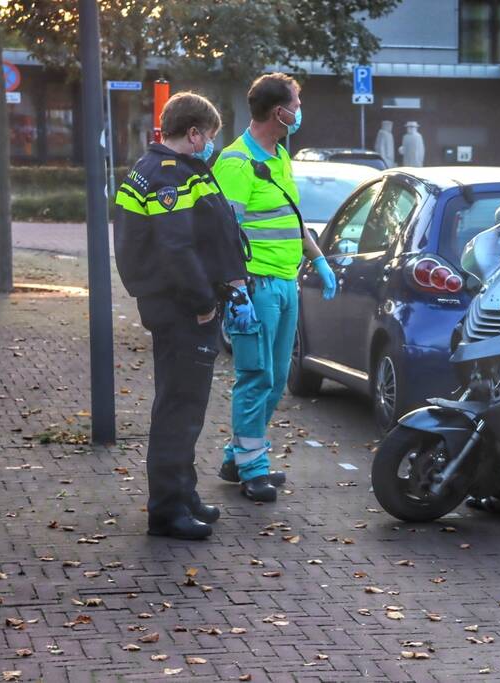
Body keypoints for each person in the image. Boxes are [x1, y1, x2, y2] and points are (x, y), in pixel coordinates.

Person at [113, 92, 254, 540]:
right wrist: (203, 304)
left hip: (175, 306)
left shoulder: (161, 169)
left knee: (183, 407)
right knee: (179, 409)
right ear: (193, 133)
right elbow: (177, 248)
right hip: (182, 311)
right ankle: (168, 511)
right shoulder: (168, 176)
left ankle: (184, 493)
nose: (211, 143)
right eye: (209, 136)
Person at [212, 73, 337, 502]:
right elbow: (224, 234)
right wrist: (236, 291)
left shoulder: (280, 154)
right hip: (256, 287)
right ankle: (252, 469)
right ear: (277, 111)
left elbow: (291, 215)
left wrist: (317, 258)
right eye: (296, 104)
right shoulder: (235, 163)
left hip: (285, 284)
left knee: (277, 377)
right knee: (255, 377)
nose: (300, 111)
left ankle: (238, 456)